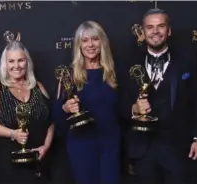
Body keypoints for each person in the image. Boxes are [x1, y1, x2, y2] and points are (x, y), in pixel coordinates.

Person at [120, 8, 197, 183]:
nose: (155, 32)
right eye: (150, 27)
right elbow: (117, 102)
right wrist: (133, 108)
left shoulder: (187, 60)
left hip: (177, 146)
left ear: (169, 30)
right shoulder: (128, 62)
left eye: (160, 26)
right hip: (143, 149)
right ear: (143, 32)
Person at [52, 20, 121, 184]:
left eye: (95, 39)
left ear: (102, 42)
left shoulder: (114, 73)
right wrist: (65, 108)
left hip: (110, 145)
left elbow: (123, 109)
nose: (90, 44)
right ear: (79, 45)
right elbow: (56, 115)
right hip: (81, 145)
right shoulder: (69, 75)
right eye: (85, 40)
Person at [0, 40, 54, 184]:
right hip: (7, 165)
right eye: (11, 61)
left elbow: (50, 122)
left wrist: (46, 146)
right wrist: (13, 133)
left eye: (21, 60)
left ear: (27, 62)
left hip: (38, 163)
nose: (16, 66)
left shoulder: (38, 87)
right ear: (5, 64)